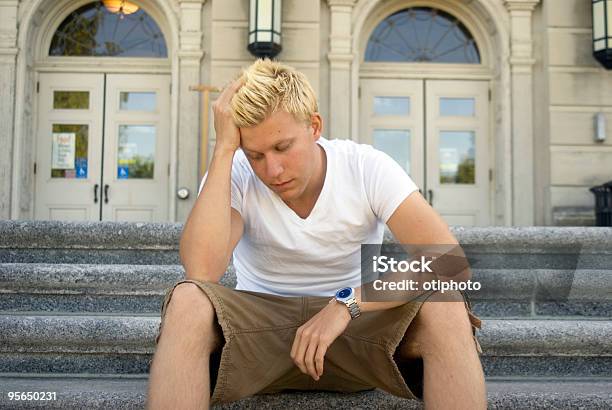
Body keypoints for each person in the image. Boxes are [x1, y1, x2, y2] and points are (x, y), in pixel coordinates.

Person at [146, 59, 485, 409]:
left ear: (314, 126)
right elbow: (202, 272)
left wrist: (346, 303)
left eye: (282, 147)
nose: (272, 169)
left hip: (354, 333)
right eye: (256, 154)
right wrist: (224, 150)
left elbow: (450, 263)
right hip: (258, 337)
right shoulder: (234, 171)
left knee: (447, 305)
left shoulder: (364, 166)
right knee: (187, 300)